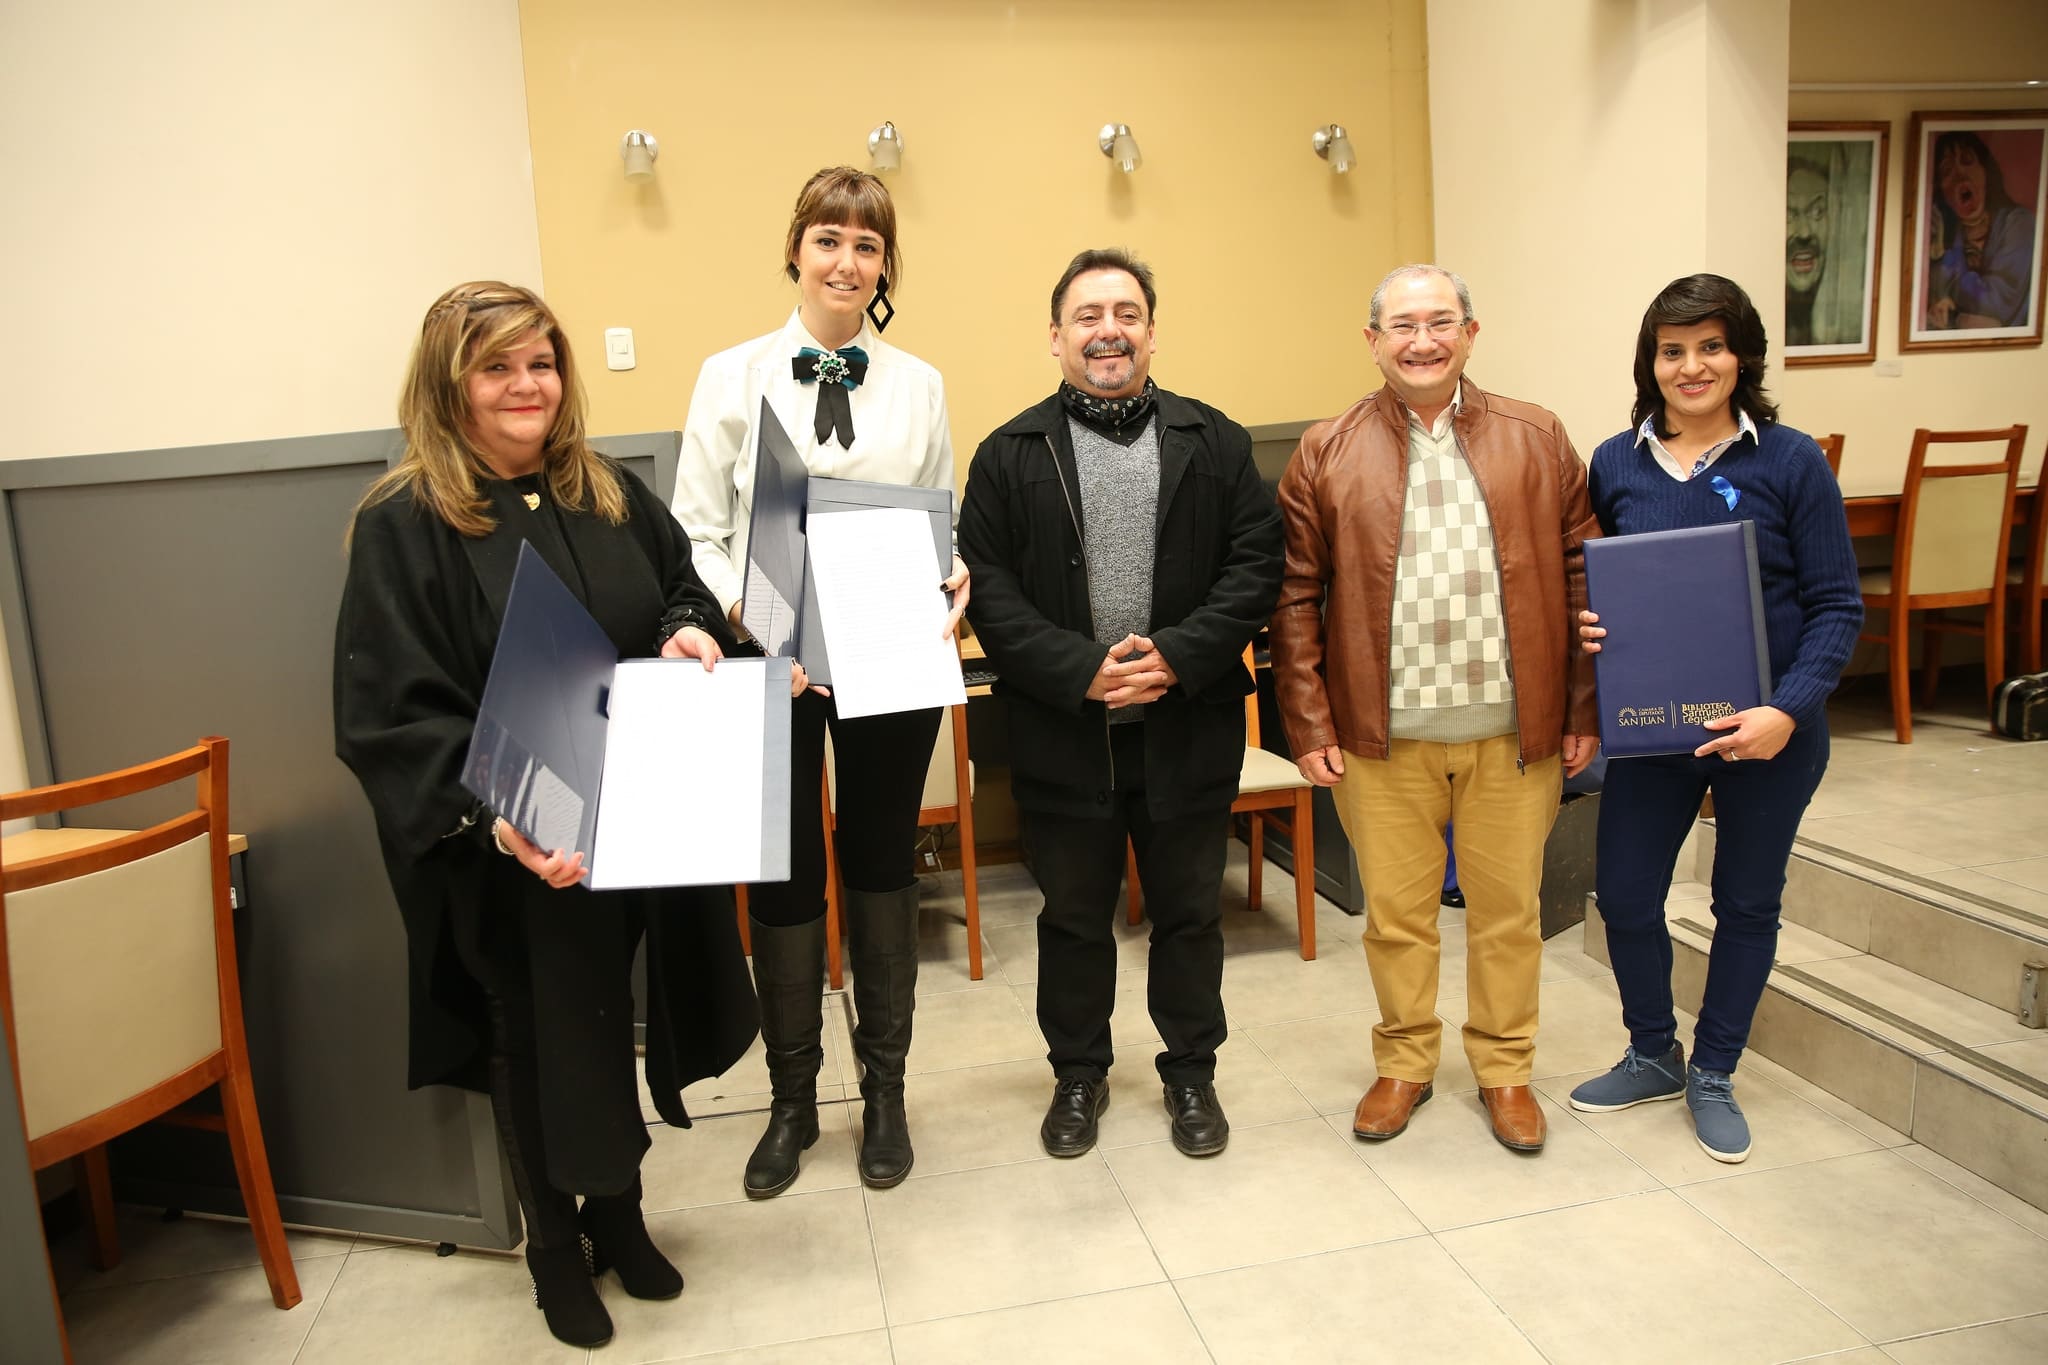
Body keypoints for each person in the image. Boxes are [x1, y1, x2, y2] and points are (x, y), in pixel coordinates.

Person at [335, 281, 760, 1348]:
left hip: (634, 819)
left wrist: (685, 632)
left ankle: (617, 1213)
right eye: (497, 367)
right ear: (451, 386)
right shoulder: (407, 523)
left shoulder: (604, 491)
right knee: (532, 1033)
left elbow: (683, 592)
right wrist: (499, 824)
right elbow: (391, 709)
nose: (527, 385)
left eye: (541, 362)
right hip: (510, 843)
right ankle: (554, 1250)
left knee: (609, 1015)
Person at [670, 166, 965, 1199]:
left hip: (888, 657)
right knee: (788, 873)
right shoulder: (728, 374)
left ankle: (883, 1093)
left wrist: (953, 568)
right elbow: (697, 533)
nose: (846, 261)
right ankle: (791, 1101)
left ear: (885, 264)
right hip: (766, 657)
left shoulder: (919, 383)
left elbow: (936, 518)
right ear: (795, 249)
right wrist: (762, 631)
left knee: (883, 861)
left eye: (866, 245)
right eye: (828, 239)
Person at [958, 248, 1282, 1160]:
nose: (1109, 329)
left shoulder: (1213, 441)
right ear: (1056, 335)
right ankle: (1078, 1073)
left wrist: (1176, 657)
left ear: (1150, 328)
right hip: (1067, 734)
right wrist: (1082, 669)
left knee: (1189, 914)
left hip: (1188, 727)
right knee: (1071, 918)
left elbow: (1255, 565)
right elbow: (988, 588)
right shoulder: (1009, 453)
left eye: (1127, 311)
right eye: (1088, 314)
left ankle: (1190, 1074)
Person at [1268, 264, 1599, 1155]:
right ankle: (1406, 1061)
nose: (1423, 341)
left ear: (1471, 333)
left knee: (1508, 914)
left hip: (1510, 733)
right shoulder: (1325, 450)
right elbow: (1296, 596)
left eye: (1440, 322)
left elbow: (1584, 579)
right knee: (1398, 916)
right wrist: (1309, 724)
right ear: (1373, 341)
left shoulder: (1538, 437)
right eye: (1402, 326)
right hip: (1384, 738)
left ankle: (1506, 1071)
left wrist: (1580, 709)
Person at [1568, 273, 1860, 1163]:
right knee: (1622, 892)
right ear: (1650, 362)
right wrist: (1590, 621)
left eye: (1711, 346)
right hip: (1656, 729)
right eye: (1672, 349)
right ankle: (1654, 1050)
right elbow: (1607, 580)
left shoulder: (1792, 459)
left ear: (1743, 356)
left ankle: (1716, 1069)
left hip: (1770, 733)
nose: (1691, 366)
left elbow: (1837, 606)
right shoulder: (1617, 461)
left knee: (1745, 901)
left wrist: (1785, 709)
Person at [1925, 129, 2038, 331]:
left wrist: (1947, 273)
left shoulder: (2019, 224)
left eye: (1967, 161)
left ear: (1986, 171)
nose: (1960, 176)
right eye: (1947, 171)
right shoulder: (1949, 233)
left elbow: (1993, 303)